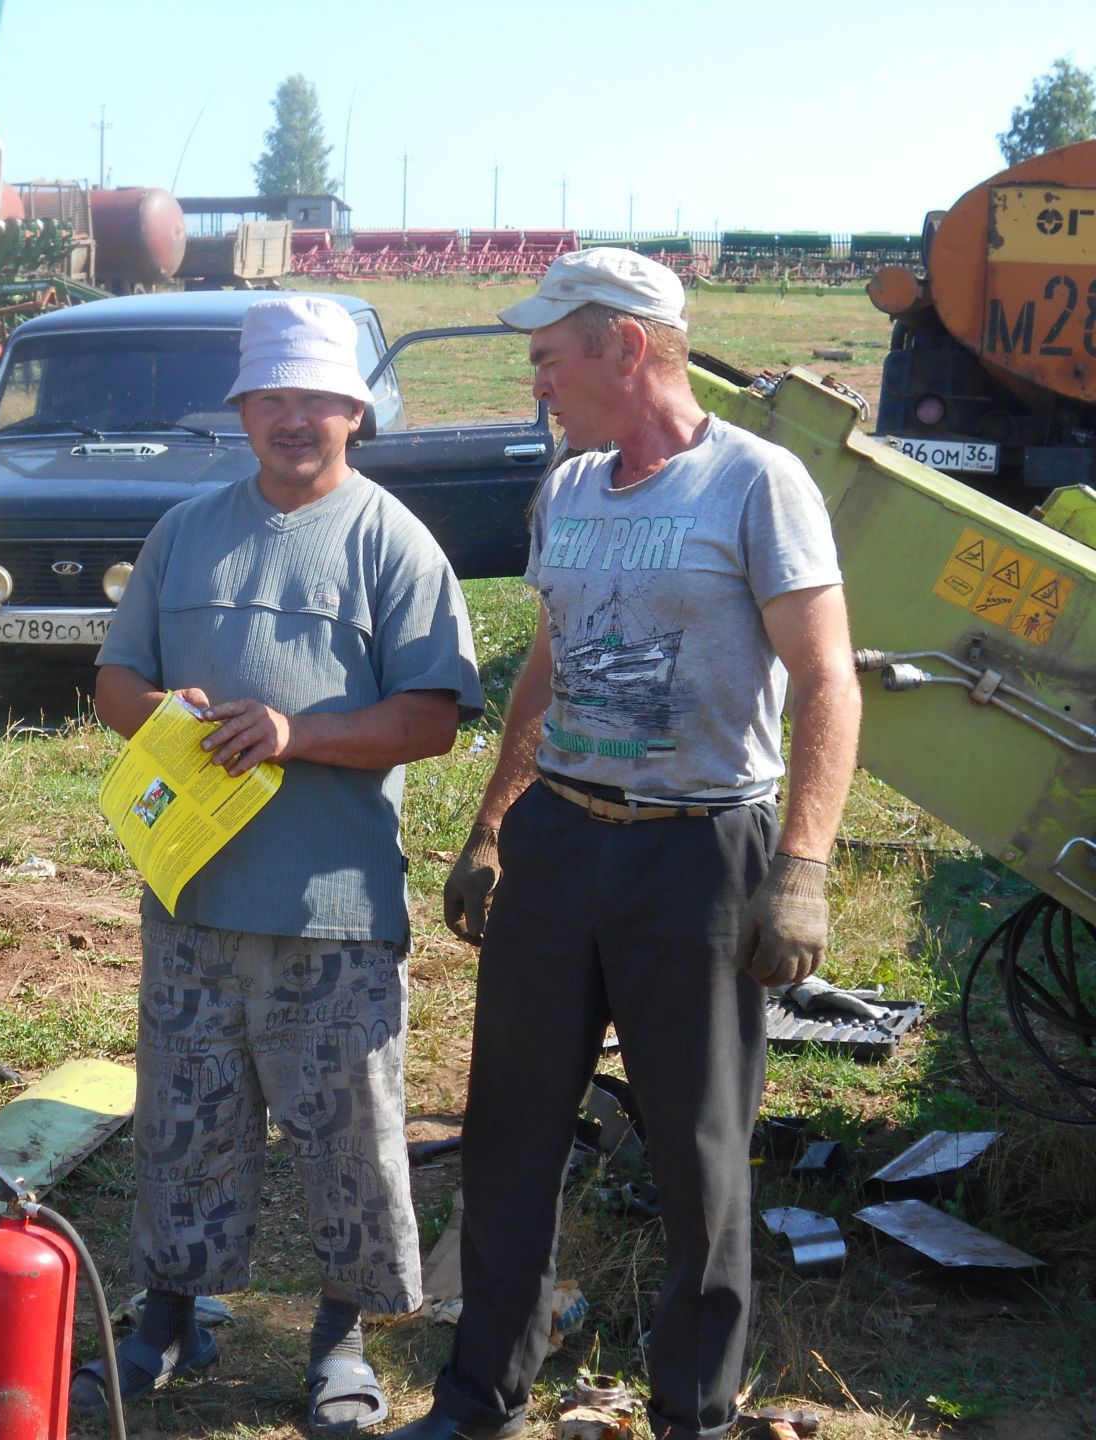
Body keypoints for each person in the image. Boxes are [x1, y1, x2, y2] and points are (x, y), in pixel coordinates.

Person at [395, 249, 861, 1440]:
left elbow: (825, 680)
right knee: (510, 1131)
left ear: (627, 348)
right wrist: (496, 822)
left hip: (699, 856)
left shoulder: (757, 484)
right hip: (562, 840)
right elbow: (548, 662)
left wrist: (801, 870)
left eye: (549, 357)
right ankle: (479, 1394)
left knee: (698, 1158)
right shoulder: (571, 490)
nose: (537, 382)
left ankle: (693, 1414)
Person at [85, 295, 483, 1433]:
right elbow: (117, 682)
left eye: (317, 398)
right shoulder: (186, 530)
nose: (294, 418)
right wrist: (165, 714)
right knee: (185, 1114)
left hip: (333, 907)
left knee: (347, 1132)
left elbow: (431, 718)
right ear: (243, 410)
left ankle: (340, 1339)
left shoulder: (390, 540)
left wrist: (296, 734)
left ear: (356, 411)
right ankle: (169, 1314)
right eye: (272, 398)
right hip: (193, 894)